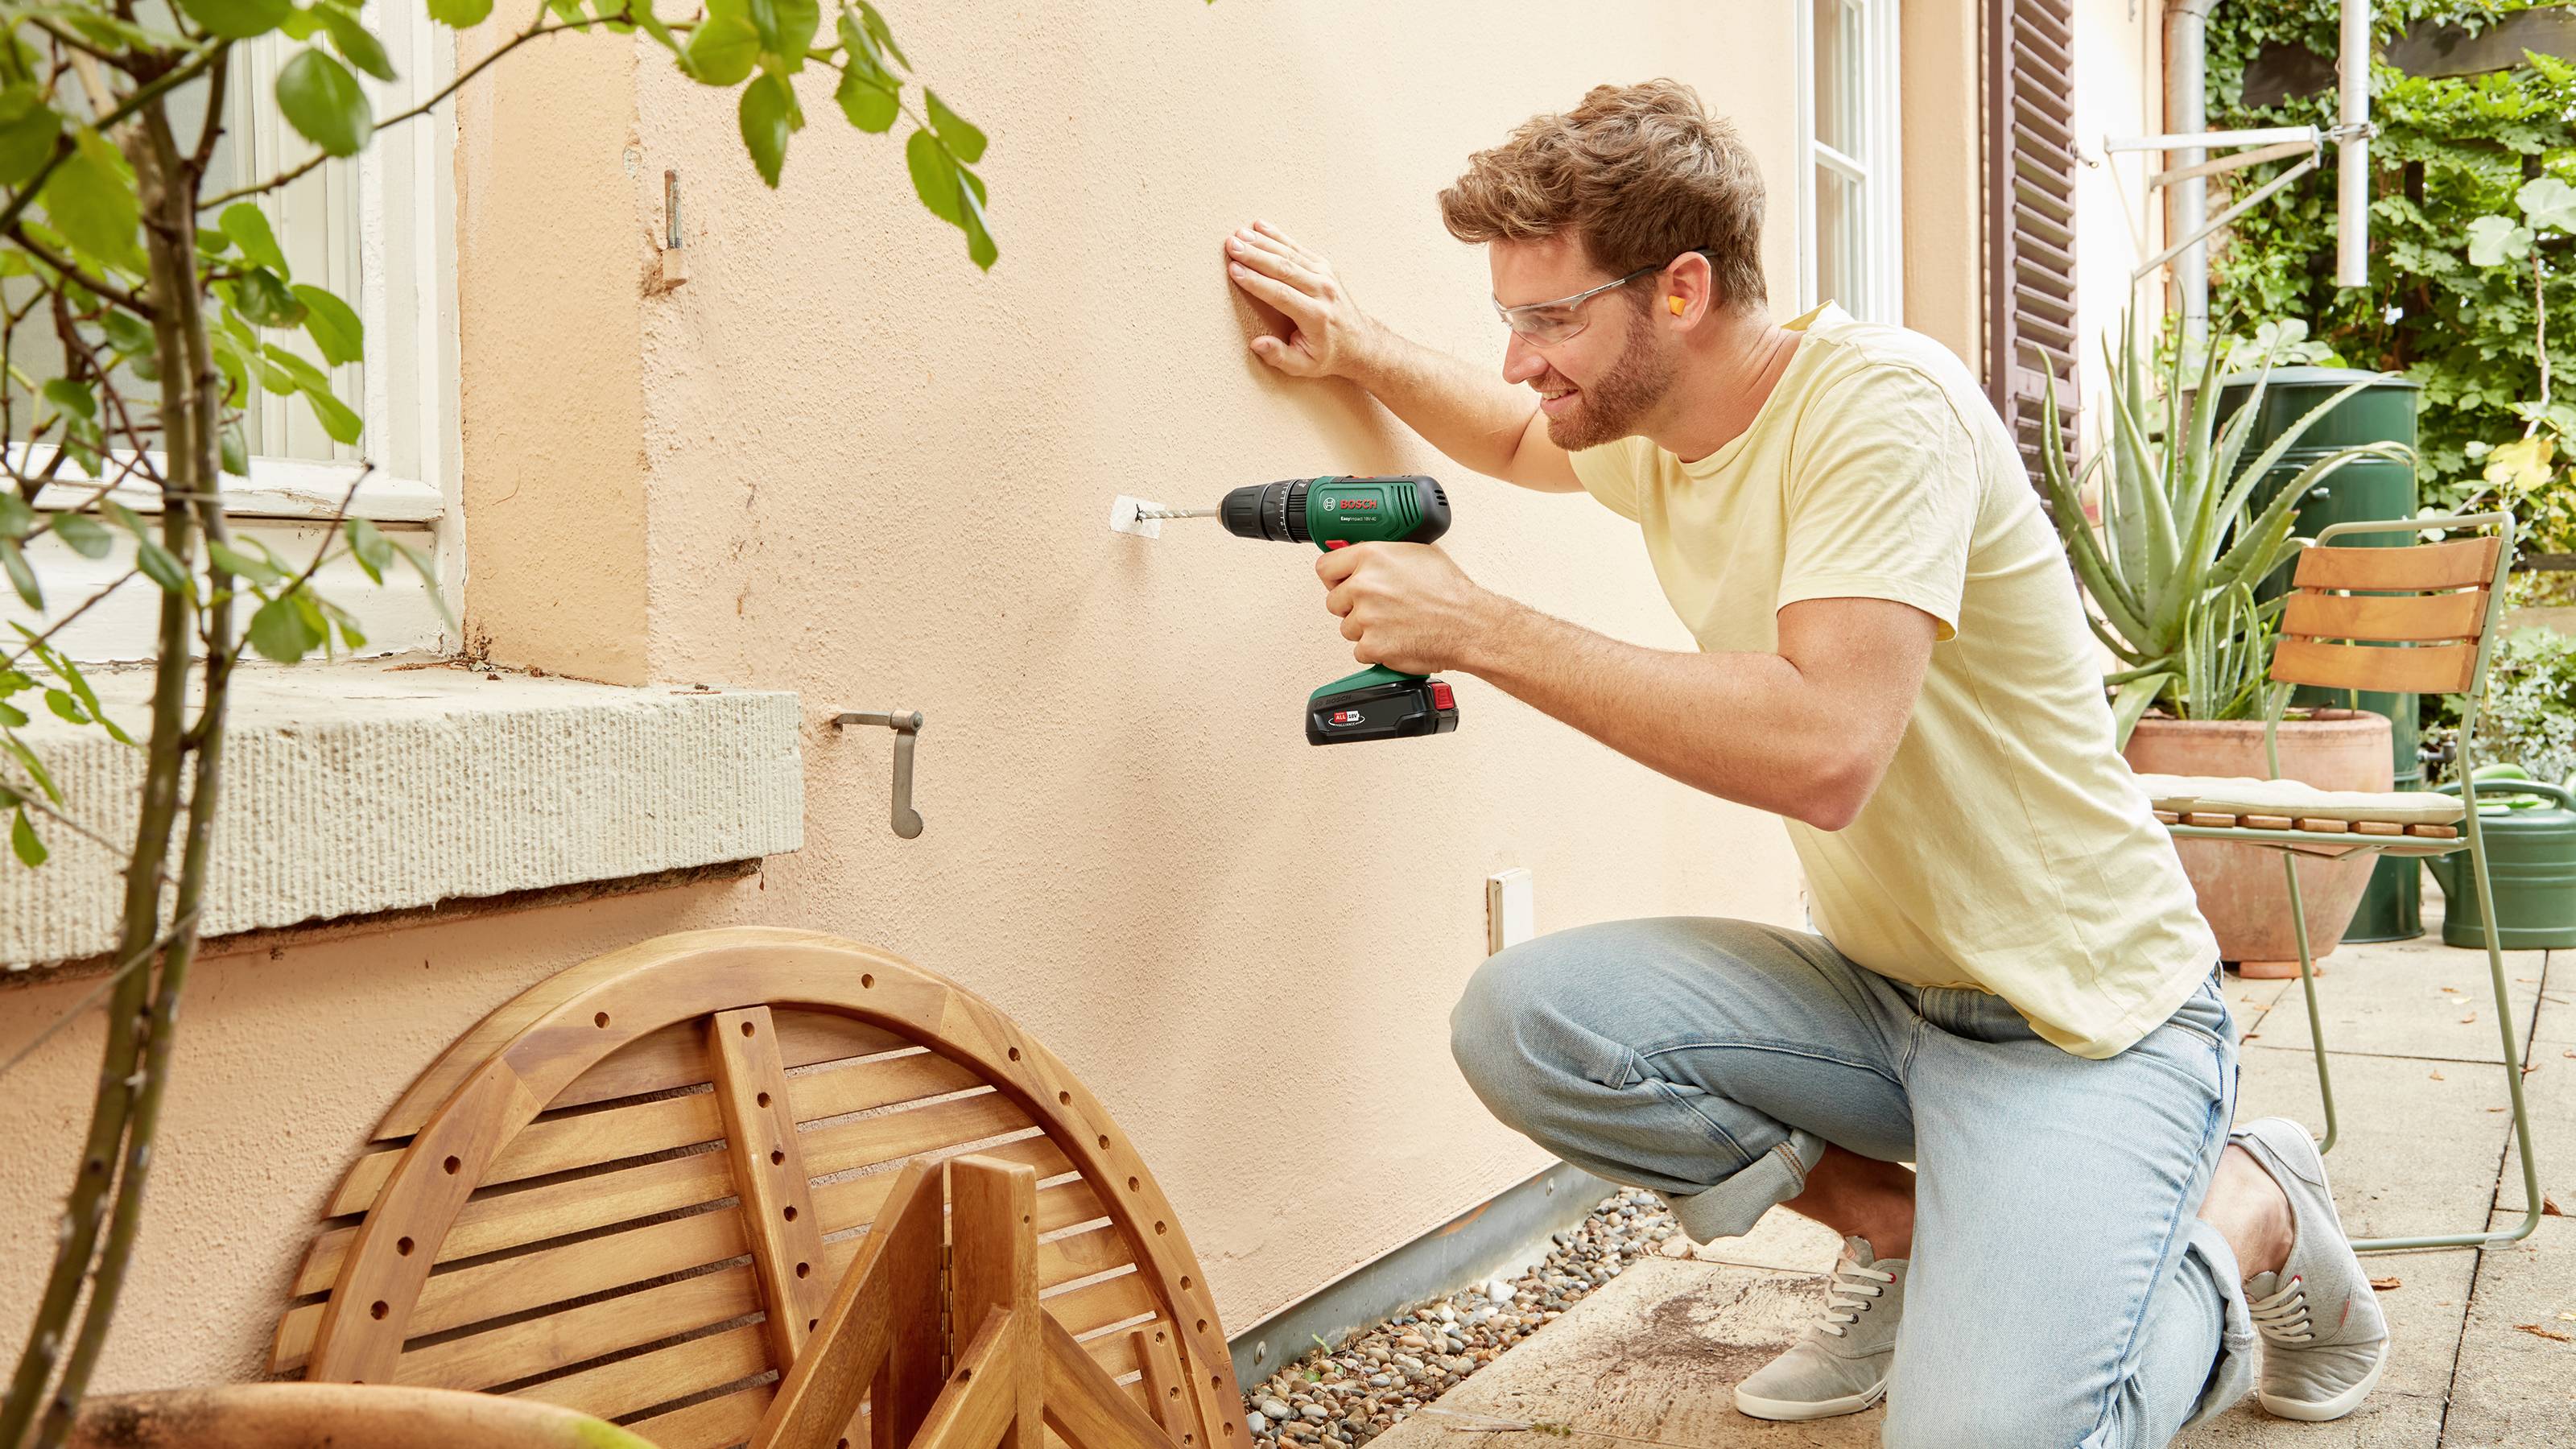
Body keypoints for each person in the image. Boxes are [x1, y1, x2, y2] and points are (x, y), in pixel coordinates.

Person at [1222, 79, 2387, 1447]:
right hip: (1886, 1000)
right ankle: (1904, 1239)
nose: (1524, 360)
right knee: (1527, 1021)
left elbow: (1827, 748)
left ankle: (2248, 1210)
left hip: (2086, 1026)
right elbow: (1517, 435)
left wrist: (1478, 627)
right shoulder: (1654, 428)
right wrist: (1355, 346)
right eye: (1509, 321)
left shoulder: (1878, 412)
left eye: (1551, 319)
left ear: (1682, 291)